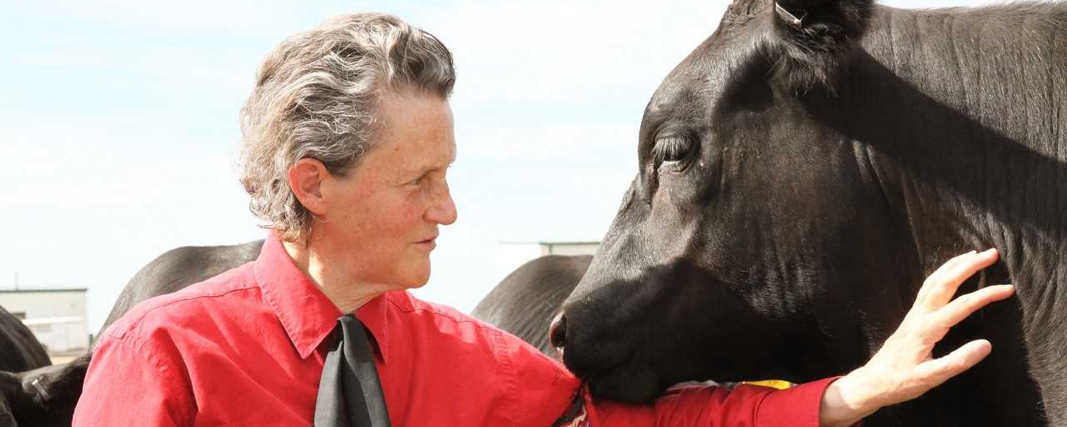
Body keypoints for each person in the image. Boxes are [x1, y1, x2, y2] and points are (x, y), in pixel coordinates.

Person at [72, 13, 1016, 427]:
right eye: (417, 182)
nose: (449, 209)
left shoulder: (473, 363)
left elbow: (658, 425)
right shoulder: (164, 360)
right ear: (313, 183)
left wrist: (855, 390)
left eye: (447, 174)